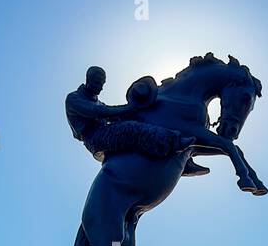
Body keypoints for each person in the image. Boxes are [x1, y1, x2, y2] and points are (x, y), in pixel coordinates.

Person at [65, 66, 208, 175]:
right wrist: (130, 108)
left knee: (138, 120)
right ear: (88, 80)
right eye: (98, 83)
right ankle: (175, 144)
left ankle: (185, 161)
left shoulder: (97, 101)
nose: (101, 87)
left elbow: (113, 114)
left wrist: (137, 109)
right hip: (95, 138)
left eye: (103, 83)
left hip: (103, 131)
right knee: (131, 129)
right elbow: (100, 112)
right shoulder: (74, 98)